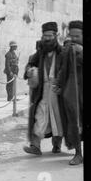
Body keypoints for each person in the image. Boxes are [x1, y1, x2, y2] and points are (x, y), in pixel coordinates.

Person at [23, 22, 63, 155]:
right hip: (43, 91)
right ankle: (35, 146)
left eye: (50, 35)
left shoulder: (62, 52)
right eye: (45, 36)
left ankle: (57, 145)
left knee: (57, 119)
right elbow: (30, 64)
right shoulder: (40, 53)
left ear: (55, 35)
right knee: (39, 117)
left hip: (58, 91)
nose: (47, 38)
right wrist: (28, 70)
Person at [54, 20, 83, 165]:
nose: (73, 39)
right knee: (73, 123)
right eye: (71, 36)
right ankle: (78, 154)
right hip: (71, 92)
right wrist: (59, 85)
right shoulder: (67, 50)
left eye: (77, 36)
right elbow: (62, 69)